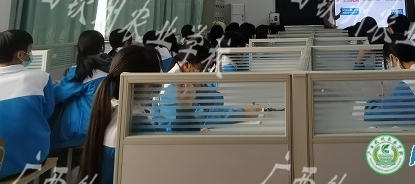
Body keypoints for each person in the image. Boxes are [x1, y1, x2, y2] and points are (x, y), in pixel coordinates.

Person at [79, 46, 162, 184]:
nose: (158, 85)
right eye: (154, 77)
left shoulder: (111, 108)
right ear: (140, 80)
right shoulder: (135, 122)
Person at [161, 39, 260, 131]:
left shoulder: (190, 80)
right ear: (187, 66)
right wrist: (242, 113)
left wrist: (200, 87)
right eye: (204, 68)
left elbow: (218, 101)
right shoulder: (171, 88)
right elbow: (200, 118)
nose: (208, 73)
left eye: (209, 67)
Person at [0, 29, 55, 180]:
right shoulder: (41, 78)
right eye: (29, 51)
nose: (30, 54)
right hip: (29, 160)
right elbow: (46, 113)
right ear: (20, 55)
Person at [51, 30, 112, 151]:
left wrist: (54, 85)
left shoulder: (82, 71)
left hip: (83, 129)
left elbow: (57, 96)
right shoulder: (110, 65)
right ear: (102, 47)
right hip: (106, 124)